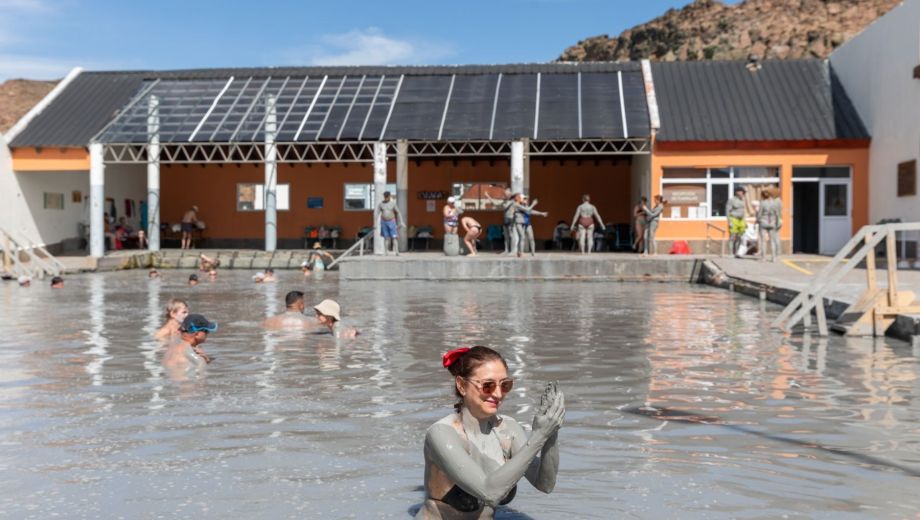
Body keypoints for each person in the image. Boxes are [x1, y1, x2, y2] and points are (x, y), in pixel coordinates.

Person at [415, 346, 564, 519]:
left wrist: (552, 429)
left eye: (505, 385)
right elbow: (488, 492)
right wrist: (539, 436)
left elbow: (545, 484)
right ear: (462, 385)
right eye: (488, 385)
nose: (498, 394)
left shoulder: (508, 431)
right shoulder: (442, 434)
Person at [485, 189, 515, 255]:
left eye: (506, 193)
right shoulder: (505, 201)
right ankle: (506, 250)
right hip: (505, 219)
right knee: (506, 236)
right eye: (504, 193)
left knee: (511, 235)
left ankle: (512, 251)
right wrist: (488, 197)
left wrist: (503, 200)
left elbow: (505, 207)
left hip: (510, 219)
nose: (505, 194)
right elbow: (495, 203)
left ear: (510, 194)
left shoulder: (512, 201)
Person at [375, 191, 405, 255]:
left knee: (394, 237)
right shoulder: (381, 204)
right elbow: (377, 214)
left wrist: (401, 221)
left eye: (387, 197)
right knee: (386, 237)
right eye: (385, 197)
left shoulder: (393, 203)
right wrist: (375, 224)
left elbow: (398, 212)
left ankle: (397, 252)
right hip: (383, 222)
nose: (386, 198)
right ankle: (385, 252)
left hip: (392, 221)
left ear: (389, 196)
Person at [757, 186, 783, 262]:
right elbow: (778, 214)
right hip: (772, 222)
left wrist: (758, 220)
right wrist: (777, 222)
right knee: (773, 241)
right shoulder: (775, 202)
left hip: (763, 222)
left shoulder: (762, 203)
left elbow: (759, 214)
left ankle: (763, 257)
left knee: (763, 241)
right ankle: (774, 258)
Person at [726, 187, 747, 257]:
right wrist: (729, 222)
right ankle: (730, 253)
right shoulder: (731, 200)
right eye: (741, 192)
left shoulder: (743, 200)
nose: (742, 193)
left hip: (741, 220)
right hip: (733, 219)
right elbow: (727, 211)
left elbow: (743, 211)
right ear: (737, 192)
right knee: (732, 236)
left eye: (743, 192)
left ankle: (737, 252)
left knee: (739, 237)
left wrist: (745, 221)